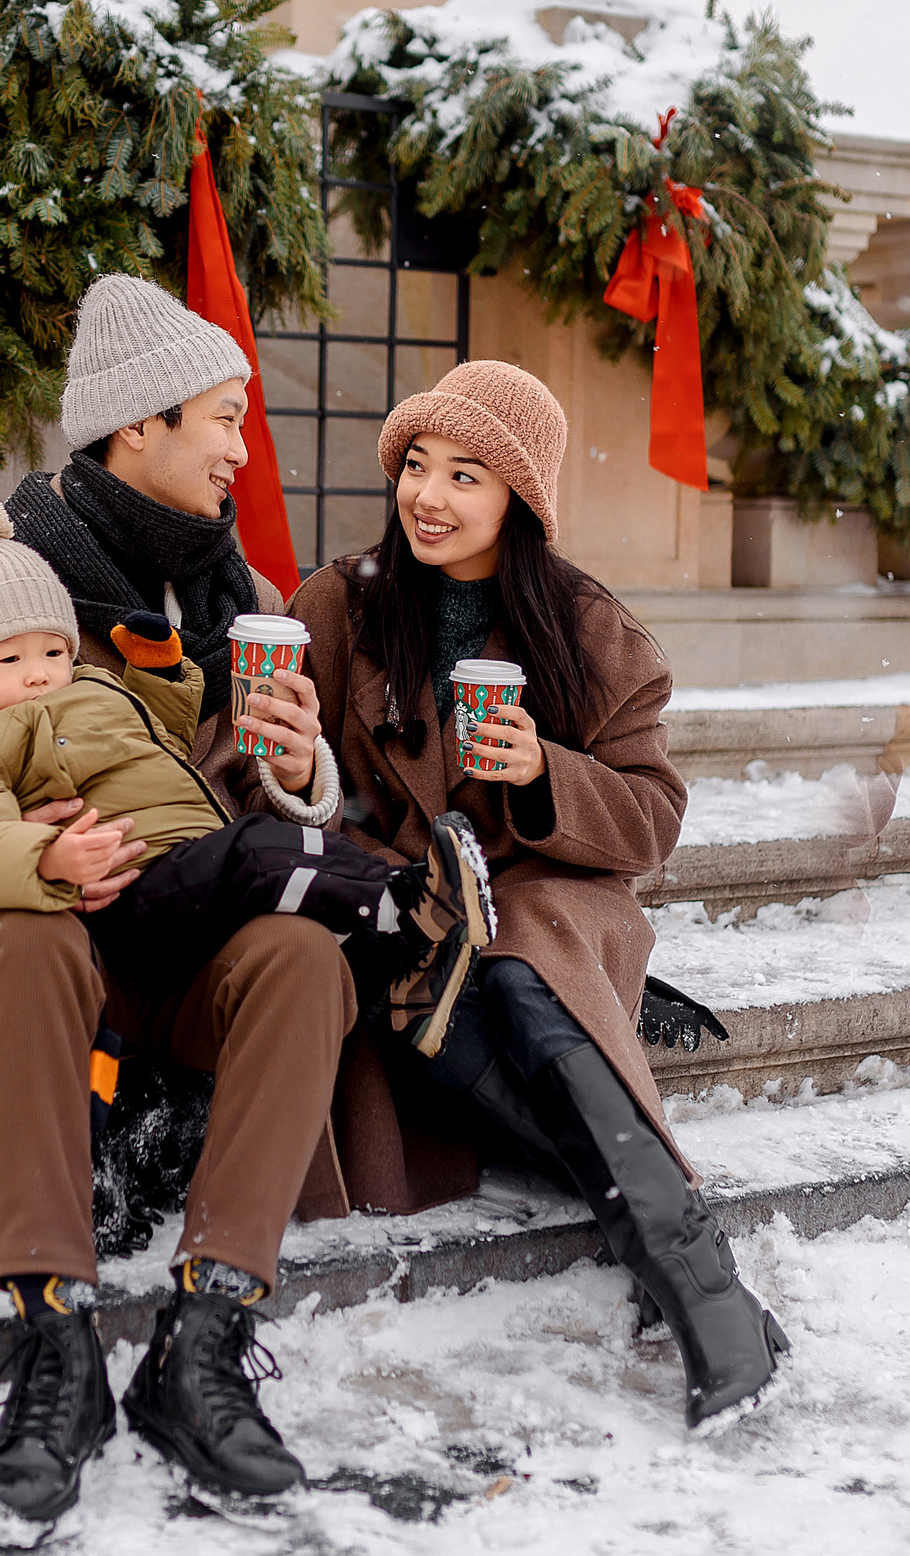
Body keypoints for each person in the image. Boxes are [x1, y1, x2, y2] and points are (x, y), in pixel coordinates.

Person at [0, 274, 361, 1533]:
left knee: (301, 953)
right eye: (223, 419)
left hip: (186, 928)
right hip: (46, 942)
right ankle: (53, 1340)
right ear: (139, 426)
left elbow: (237, 808)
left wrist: (292, 771)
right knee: (23, 936)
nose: (245, 447)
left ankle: (206, 1333)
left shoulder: (234, 602)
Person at [277, 359, 790, 1429]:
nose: (428, 493)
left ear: (519, 498)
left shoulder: (588, 629)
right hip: (405, 918)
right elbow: (248, 780)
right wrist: (295, 772)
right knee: (441, 985)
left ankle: (697, 1290)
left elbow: (651, 816)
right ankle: (698, 1266)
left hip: (549, 904)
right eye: (416, 464)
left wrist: (543, 772)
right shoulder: (338, 604)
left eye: (466, 474)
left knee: (516, 963)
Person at [0, 494, 491, 1038]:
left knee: (278, 866)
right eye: (221, 417)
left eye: (54, 650)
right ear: (140, 422)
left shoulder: (222, 609)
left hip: (184, 861)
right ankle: (405, 909)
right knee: (259, 854)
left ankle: (403, 923)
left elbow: (153, 742)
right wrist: (41, 860)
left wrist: (160, 677)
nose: (37, 671)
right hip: (131, 891)